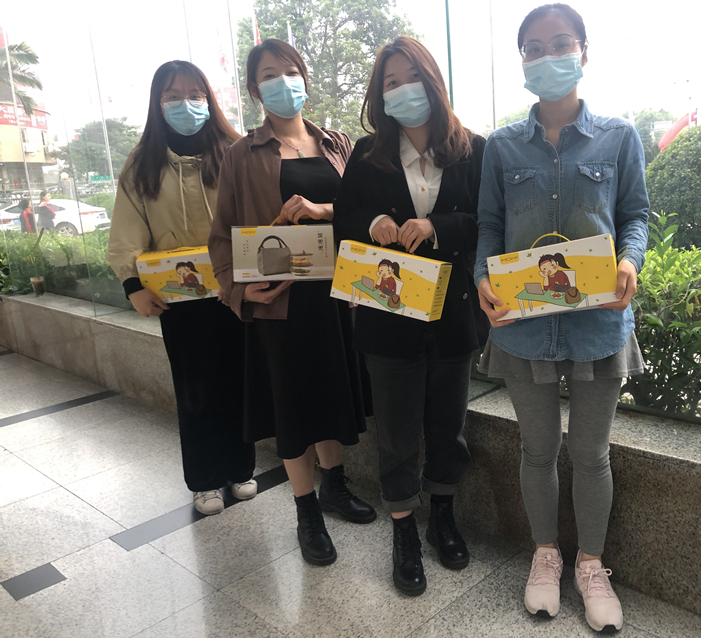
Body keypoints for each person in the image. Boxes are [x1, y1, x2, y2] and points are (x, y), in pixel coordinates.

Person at [475, 4, 649, 633]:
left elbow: (635, 214)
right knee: (538, 450)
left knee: (592, 454)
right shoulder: (501, 145)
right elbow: (489, 225)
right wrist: (481, 278)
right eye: (534, 47)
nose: (548, 56)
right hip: (524, 327)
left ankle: (591, 566)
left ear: (583, 52)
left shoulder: (619, 137)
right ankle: (546, 556)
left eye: (561, 43)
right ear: (521, 59)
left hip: (597, 325)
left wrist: (629, 261)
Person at [208, 39, 375, 568]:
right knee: (293, 405)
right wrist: (238, 289)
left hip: (336, 296)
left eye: (291, 70)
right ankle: (306, 512)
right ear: (255, 89)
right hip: (279, 302)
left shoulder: (337, 143)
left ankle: (335, 486)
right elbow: (221, 236)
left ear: (305, 77)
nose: (283, 82)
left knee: (332, 397)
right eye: (269, 75)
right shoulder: (241, 154)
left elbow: (360, 213)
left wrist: (323, 209)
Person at [334, 36, 488, 596]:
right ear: (380, 95)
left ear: (433, 80)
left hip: (453, 317)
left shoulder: (474, 149)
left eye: (411, 77)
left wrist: (437, 228)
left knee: (447, 427)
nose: (402, 89)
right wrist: (372, 222)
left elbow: (488, 224)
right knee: (397, 434)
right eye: (390, 82)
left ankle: (443, 516)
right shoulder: (366, 153)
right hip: (389, 316)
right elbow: (343, 219)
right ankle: (403, 532)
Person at [107, 60, 257, 516]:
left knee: (239, 383)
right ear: (158, 103)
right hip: (179, 300)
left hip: (234, 291)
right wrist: (133, 285)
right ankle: (205, 479)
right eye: (173, 96)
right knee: (195, 389)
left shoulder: (234, 151)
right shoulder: (142, 163)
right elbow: (127, 231)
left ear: (209, 100)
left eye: (195, 95)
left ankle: (240, 468)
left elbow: (255, 215)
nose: (185, 104)